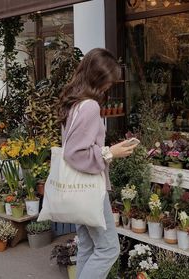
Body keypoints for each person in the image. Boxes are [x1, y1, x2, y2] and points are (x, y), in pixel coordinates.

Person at [58, 48, 138, 279]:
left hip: (76, 188)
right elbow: (75, 153)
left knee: (87, 246)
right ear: (98, 79)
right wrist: (109, 153)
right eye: (108, 82)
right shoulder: (90, 106)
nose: (109, 87)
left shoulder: (74, 103)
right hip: (90, 188)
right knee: (108, 248)